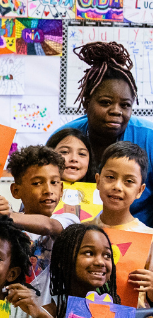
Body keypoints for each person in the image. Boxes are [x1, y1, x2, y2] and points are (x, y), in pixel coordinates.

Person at [53, 41, 153, 223]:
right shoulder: (65, 138)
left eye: (125, 105)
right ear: (86, 103)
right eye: (105, 102)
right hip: (74, 231)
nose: (116, 111)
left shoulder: (149, 137)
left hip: (138, 234)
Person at [0, 146, 77, 305]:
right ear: (16, 191)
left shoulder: (69, 221)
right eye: (37, 183)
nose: (48, 190)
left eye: (54, 182)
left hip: (48, 316)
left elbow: (49, 226)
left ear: (61, 189)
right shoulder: (5, 226)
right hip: (9, 313)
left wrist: (9, 216)